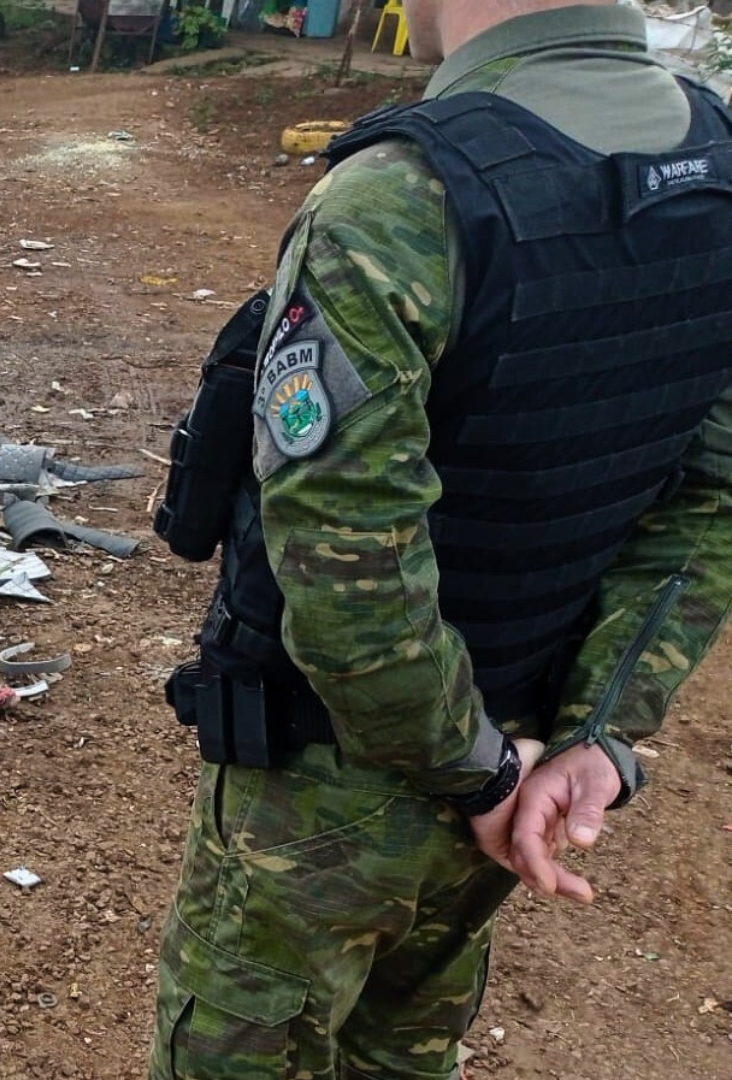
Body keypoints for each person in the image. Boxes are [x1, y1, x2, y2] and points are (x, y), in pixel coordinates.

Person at [151, 2, 732, 1077]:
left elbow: (344, 551)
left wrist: (472, 774)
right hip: (531, 750)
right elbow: (706, 506)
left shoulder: (402, 195)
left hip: (342, 771)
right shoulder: (717, 160)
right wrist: (597, 733)